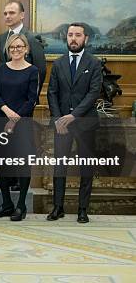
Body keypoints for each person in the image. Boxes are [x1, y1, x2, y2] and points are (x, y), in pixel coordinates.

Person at [46, 23, 102, 224]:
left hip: (85, 123)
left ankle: (82, 209)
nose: (73, 38)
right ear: (66, 38)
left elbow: (93, 93)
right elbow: (52, 93)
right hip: (62, 124)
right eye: (70, 35)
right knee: (59, 166)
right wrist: (59, 119)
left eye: (78, 35)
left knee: (86, 167)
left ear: (85, 38)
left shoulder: (94, 63)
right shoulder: (58, 63)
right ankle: (58, 207)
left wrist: (73, 116)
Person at [0, 0, 47, 193]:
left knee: (21, 146)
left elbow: (41, 69)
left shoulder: (32, 39)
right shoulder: (0, 39)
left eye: (12, 12)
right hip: (5, 104)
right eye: (5, 13)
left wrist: (30, 101)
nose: (8, 16)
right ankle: (8, 182)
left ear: (22, 15)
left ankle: (18, 181)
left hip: (24, 105)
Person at [0, 34, 39, 221]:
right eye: (12, 47)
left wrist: (15, 117)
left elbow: (31, 99)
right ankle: (7, 203)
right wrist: (7, 111)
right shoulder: (1, 69)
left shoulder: (32, 71)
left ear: (26, 49)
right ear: (7, 50)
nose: (16, 50)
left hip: (22, 123)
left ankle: (20, 206)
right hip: (1, 121)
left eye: (19, 47)